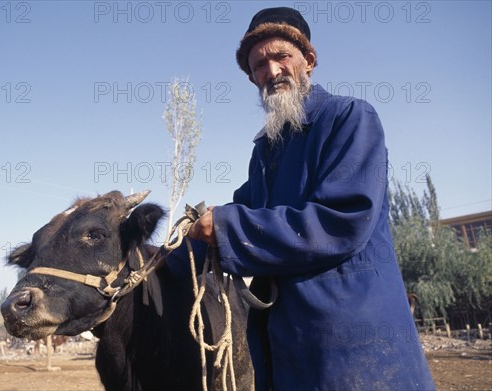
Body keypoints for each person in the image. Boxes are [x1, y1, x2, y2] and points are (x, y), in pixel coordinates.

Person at [170, 6, 436, 391]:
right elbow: (239, 217)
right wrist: (158, 258)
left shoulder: (349, 118)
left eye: (281, 56)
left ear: (308, 60)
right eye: (259, 64)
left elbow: (341, 220)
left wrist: (226, 226)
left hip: (351, 340)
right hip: (285, 340)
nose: (272, 71)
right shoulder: (265, 149)